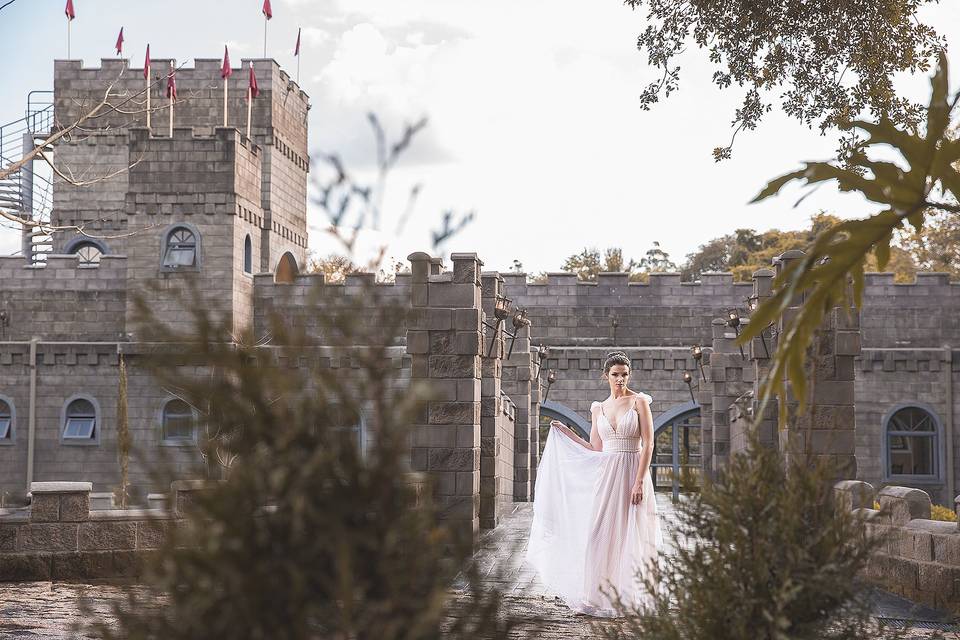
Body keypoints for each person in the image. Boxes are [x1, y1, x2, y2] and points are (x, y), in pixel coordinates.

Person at [525, 350, 663, 617]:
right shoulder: (598, 407)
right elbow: (595, 447)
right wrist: (566, 433)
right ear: (606, 376)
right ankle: (595, 598)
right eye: (615, 375)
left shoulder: (639, 402)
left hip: (633, 472)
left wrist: (639, 482)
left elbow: (649, 444)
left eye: (624, 374)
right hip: (607, 476)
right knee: (600, 534)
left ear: (629, 374)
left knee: (631, 536)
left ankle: (631, 597)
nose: (620, 379)